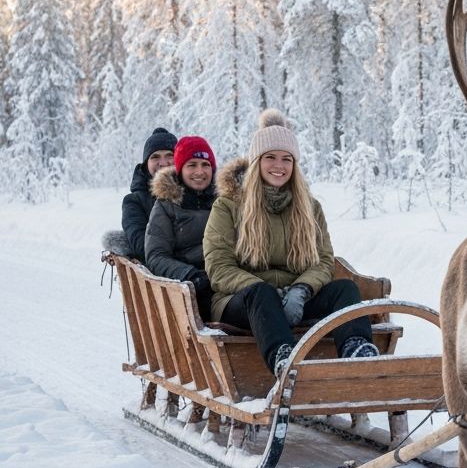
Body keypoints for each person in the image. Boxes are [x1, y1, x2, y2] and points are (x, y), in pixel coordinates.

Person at [203, 109, 378, 379]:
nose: (279, 165)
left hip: (294, 299)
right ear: (257, 161)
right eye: (270, 157)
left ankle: (357, 350)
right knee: (261, 295)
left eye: (287, 159)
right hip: (244, 300)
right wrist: (263, 290)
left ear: (294, 165)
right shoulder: (228, 206)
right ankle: (285, 358)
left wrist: (301, 289)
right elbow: (219, 266)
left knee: (345, 289)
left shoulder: (310, 207)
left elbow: (323, 260)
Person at [144, 136, 218, 320]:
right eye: (192, 165)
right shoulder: (166, 206)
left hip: (225, 274)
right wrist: (190, 275)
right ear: (180, 170)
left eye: (205, 164)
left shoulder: (225, 202)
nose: (199, 171)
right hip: (192, 283)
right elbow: (156, 256)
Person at [120, 127, 178, 262]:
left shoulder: (196, 192)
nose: (163, 163)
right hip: (163, 271)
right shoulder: (133, 202)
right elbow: (141, 244)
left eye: (170, 155)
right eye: (155, 157)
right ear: (146, 164)